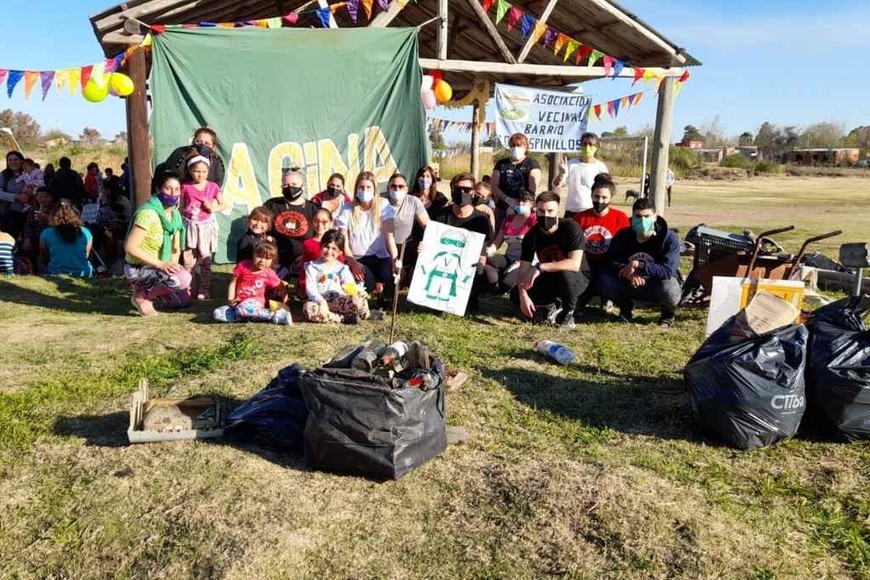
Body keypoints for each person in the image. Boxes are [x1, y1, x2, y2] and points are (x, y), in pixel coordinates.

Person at [511, 191, 590, 329]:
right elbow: (523, 268)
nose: (546, 215)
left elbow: (574, 264)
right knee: (515, 295)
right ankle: (550, 305)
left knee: (566, 275)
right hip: (548, 278)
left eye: (550, 210)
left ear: (557, 210)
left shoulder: (571, 227)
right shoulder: (532, 235)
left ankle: (568, 313)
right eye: (541, 211)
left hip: (576, 278)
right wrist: (523, 295)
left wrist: (540, 267)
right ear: (536, 209)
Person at [600, 197, 682, 327]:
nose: (642, 220)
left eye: (647, 216)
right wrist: (626, 271)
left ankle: (667, 315)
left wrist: (639, 265)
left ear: (655, 217)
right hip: (631, 281)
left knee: (669, 288)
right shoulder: (623, 235)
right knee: (605, 280)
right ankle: (625, 309)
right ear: (632, 216)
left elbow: (668, 270)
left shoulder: (669, 239)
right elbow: (611, 260)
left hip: (657, 283)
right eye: (638, 216)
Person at [123, 171, 192, 317]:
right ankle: (142, 297)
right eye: (168, 189)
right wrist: (160, 265)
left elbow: (175, 248)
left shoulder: (175, 215)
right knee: (183, 279)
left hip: (161, 265)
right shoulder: (148, 214)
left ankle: (156, 293)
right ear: (158, 189)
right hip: (140, 266)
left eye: (176, 189)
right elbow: (130, 247)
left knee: (182, 301)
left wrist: (172, 266)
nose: (173, 193)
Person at [430, 172, 494, 311]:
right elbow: (433, 244)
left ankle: (471, 296)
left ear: (473, 193)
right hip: (444, 263)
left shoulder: (481, 220)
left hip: (467, 265)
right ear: (452, 190)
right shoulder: (441, 215)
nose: (462, 192)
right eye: (458, 189)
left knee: (483, 275)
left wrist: (481, 263)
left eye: (467, 190)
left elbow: (483, 250)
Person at [573, 176, 630, 309]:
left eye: (604, 198)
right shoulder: (580, 218)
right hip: (585, 264)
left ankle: (608, 297)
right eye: (596, 196)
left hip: (609, 264)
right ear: (591, 196)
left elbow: (626, 244)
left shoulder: (620, 218)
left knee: (605, 282)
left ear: (611, 198)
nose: (600, 201)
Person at [336, 171, 394, 295]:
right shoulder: (347, 209)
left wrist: (395, 261)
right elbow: (343, 241)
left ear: (375, 190)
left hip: (380, 256)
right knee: (367, 285)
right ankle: (372, 285)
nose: (365, 190)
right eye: (361, 187)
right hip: (358, 258)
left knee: (390, 281)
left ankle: (381, 288)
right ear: (356, 189)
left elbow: (390, 237)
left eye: (368, 187)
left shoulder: (384, 204)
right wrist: (353, 263)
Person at [212, 240, 291, 325]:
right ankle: (246, 316)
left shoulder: (269, 273)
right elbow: (233, 282)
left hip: (255, 303)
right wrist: (230, 299)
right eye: (259, 256)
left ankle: (274, 316)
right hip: (238, 302)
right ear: (253, 254)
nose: (262, 261)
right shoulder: (243, 265)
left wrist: (285, 303)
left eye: (267, 259)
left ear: (273, 260)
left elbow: (281, 287)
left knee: (244, 309)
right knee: (217, 313)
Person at [181, 155, 225, 299]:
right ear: (190, 171)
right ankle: (189, 288)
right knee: (188, 261)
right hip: (189, 226)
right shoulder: (186, 187)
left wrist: (212, 207)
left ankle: (204, 289)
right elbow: (181, 207)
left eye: (204, 171)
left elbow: (223, 204)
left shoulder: (213, 187)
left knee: (205, 260)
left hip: (206, 227)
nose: (200, 174)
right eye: (197, 171)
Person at [303, 229, 370, 324]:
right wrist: (322, 302)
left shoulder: (342, 268)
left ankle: (366, 314)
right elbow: (311, 290)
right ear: (321, 246)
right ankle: (343, 318)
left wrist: (358, 291)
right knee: (309, 309)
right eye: (326, 247)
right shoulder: (312, 267)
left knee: (358, 302)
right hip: (319, 299)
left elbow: (350, 285)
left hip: (338, 299)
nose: (329, 251)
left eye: (334, 249)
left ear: (340, 252)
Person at [263, 168, 318, 275]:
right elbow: (262, 229)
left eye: (294, 184)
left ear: (303, 186)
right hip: (276, 257)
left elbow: (319, 236)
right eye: (285, 185)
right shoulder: (272, 204)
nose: (290, 188)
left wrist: (306, 255)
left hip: (304, 258)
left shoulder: (313, 208)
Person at [485, 190, 537, 294]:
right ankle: (494, 279)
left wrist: (521, 263)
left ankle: (503, 281)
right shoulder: (508, 219)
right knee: (486, 260)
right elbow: (498, 240)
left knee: (506, 284)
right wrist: (490, 250)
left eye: (524, 202)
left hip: (526, 262)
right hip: (509, 258)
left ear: (531, 204)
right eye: (518, 201)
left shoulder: (534, 219)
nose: (520, 204)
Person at [383, 172, 429, 286]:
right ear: (388, 187)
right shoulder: (381, 201)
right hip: (383, 247)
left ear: (406, 189)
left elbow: (428, 226)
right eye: (393, 186)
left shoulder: (414, 202)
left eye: (401, 186)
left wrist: (427, 243)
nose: (397, 189)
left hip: (405, 246)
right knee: (395, 276)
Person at [491, 133, 542, 227]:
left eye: (518, 145)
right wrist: (507, 199)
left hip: (524, 207)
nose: (515, 148)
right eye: (513, 145)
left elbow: (533, 185)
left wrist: (525, 202)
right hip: (503, 206)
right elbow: (494, 186)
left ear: (525, 147)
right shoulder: (501, 163)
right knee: (498, 233)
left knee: (523, 235)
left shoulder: (532, 163)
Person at [553, 132, 609, 217]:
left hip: (592, 212)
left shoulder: (601, 167)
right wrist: (561, 173)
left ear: (596, 147)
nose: (587, 147)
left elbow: (607, 190)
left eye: (591, 144)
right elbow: (557, 184)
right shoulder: (571, 164)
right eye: (584, 144)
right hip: (572, 211)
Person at [39, 200, 94, 278]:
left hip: (55, 272)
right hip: (83, 273)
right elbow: (86, 255)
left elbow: (44, 257)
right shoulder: (85, 232)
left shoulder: (46, 233)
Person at [157, 127, 226, 187]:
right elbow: (169, 179)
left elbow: (216, 186)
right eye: (198, 141)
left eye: (207, 143)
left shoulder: (217, 162)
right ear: (193, 142)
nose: (202, 145)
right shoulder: (180, 154)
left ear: (213, 147)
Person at [0, 151, 28, 238]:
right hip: (9, 214)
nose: (13, 162)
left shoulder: (28, 174)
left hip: (27, 214)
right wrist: (16, 197)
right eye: (10, 160)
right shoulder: (3, 175)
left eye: (16, 160)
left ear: (21, 161)